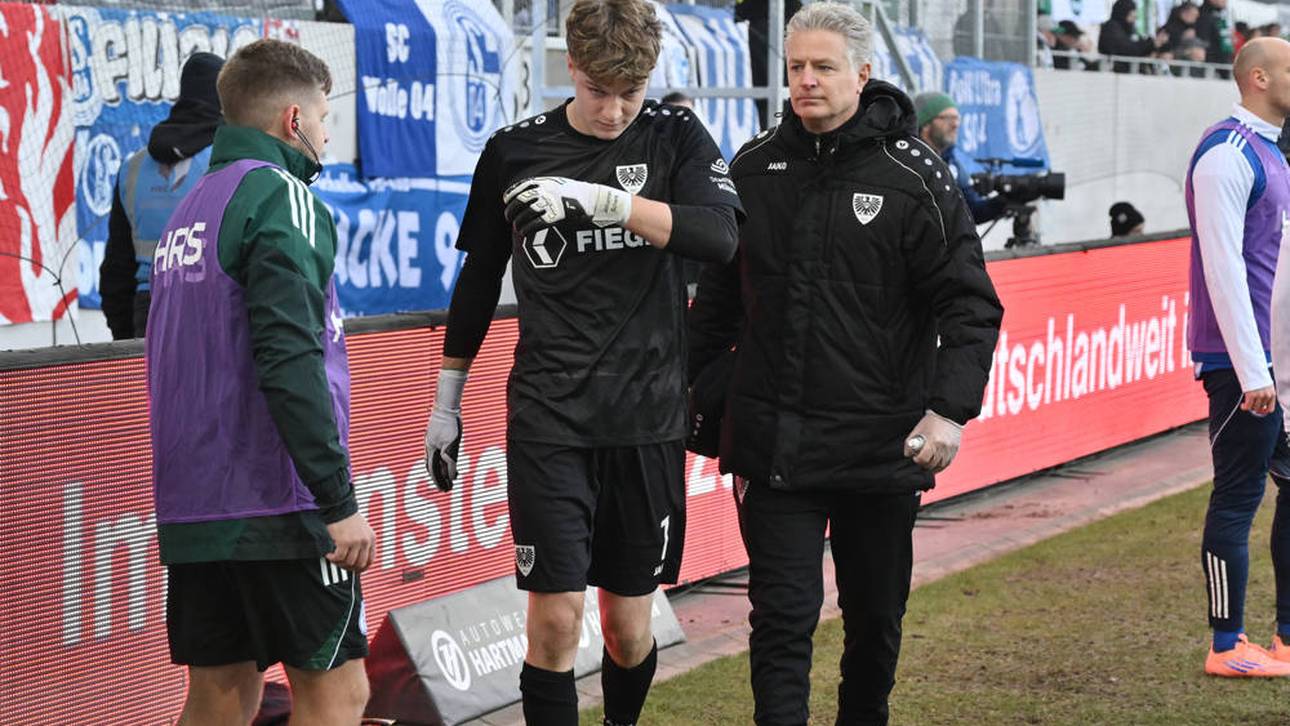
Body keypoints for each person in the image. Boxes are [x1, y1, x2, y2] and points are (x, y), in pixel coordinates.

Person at [420, 1, 742, 723]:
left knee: (629, 631)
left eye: (631, 91)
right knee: (556, 619)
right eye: (600, 90)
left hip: (647, 418)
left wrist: (608, 203)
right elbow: (476, 281)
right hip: (550, 416)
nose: (615, 109)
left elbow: (719, 238)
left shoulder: (675, 134)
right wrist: (446, 403)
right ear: (569, 67)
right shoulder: (515, 150)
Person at [687, 3, 1003, 723]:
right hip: (774, 447)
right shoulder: (754, 166)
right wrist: (695, 397)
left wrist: (949, 410)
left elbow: (970, 306)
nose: (806, 81)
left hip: (881, 447)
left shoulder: (915, 173)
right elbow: (716, 307)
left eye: (822, 67)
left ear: (861, 72)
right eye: (795, 67)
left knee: (874, 626)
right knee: (780, 624)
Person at [146, 39, 375, 724]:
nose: (329, 132)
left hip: (193, 506)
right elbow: (290, 358)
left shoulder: (189, 208)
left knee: (221, 695)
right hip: (281, 503)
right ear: (293, 119)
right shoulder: (281, 197)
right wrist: (336, 499)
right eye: (326, 116)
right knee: (338, 693)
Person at [1187, 36, 1290, 678]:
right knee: (1238, 495)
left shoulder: (1274, 153)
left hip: (1278, 361)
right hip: (1242, 366)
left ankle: (1286, 635)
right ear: (1258, 77)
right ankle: (1226, 645)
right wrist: (1254, 371)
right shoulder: (1226, 154)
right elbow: (1223, 270)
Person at [99, 52, 224, 340]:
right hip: (210, 306)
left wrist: (127, 340)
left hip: (149, 309)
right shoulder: (229, 161)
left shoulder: (132, 168)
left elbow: (116, 269)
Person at [912, 91, 1006, 224]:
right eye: (948, 118)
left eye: (957, 118)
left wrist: (1006, 200)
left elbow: (971, 211)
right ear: (926, 124)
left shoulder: (951, 162)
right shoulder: (910, 163)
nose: (955, 124)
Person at [1099, 0, 1170, 73]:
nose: (1133, 19)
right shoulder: (1111, 28)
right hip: (1114, 72)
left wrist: (1153, 46)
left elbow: (1136, 45)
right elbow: (1127, 48)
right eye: (1130, 15)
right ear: (1123, 13)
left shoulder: (1128, 29)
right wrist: (1151, 44)